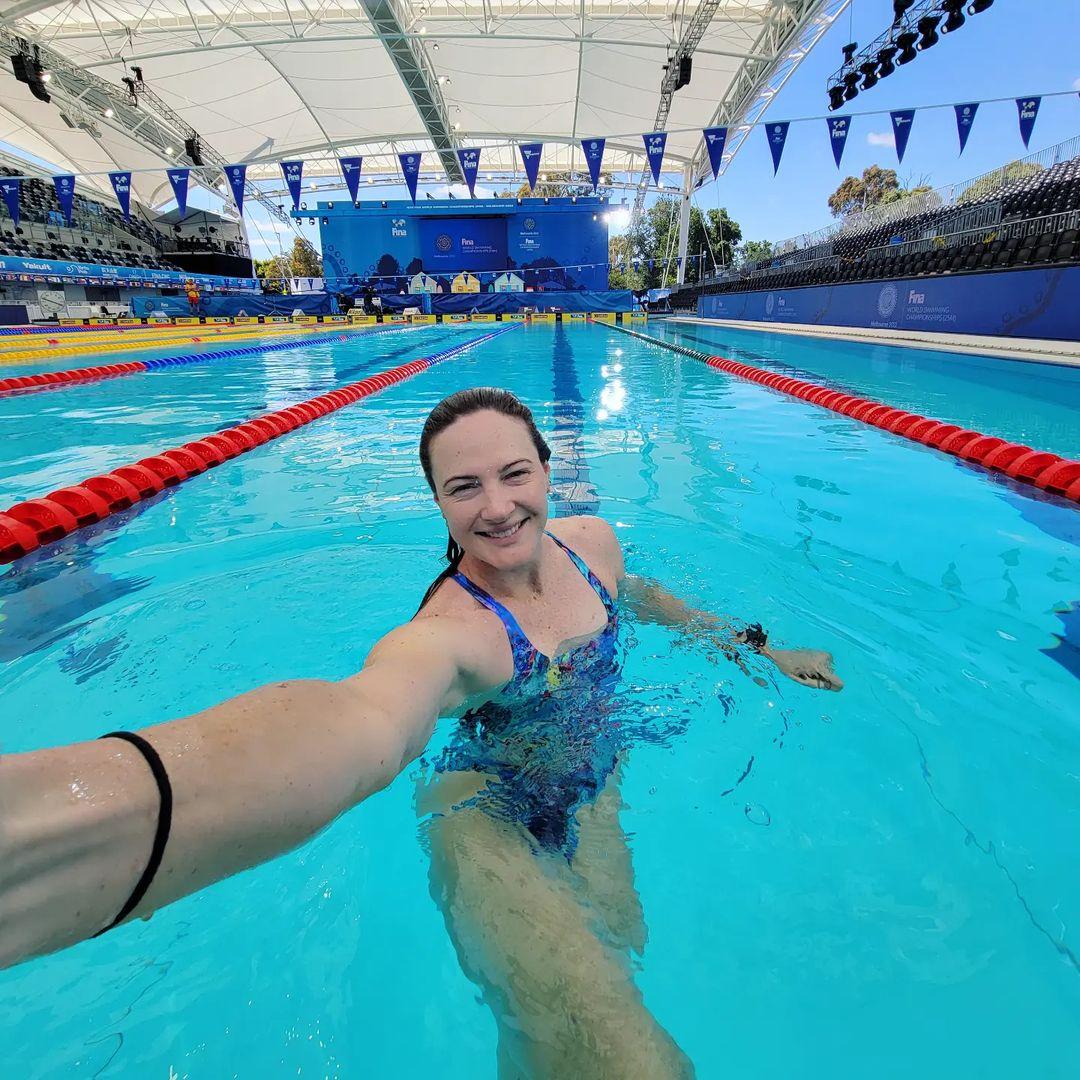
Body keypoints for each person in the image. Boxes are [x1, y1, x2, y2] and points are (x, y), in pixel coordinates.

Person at [0, 388, 841, 1074]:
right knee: (626, 1058)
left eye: (515, 474)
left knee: (618, 959)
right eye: (463, 487)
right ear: (436, 502)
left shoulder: (595, 545)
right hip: (489, 819)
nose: (499, 507)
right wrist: (114, 808)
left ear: (549, 470)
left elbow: (646, 597)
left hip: (595, 786)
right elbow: (365, 722)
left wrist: (755, 648)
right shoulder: (449, 634)